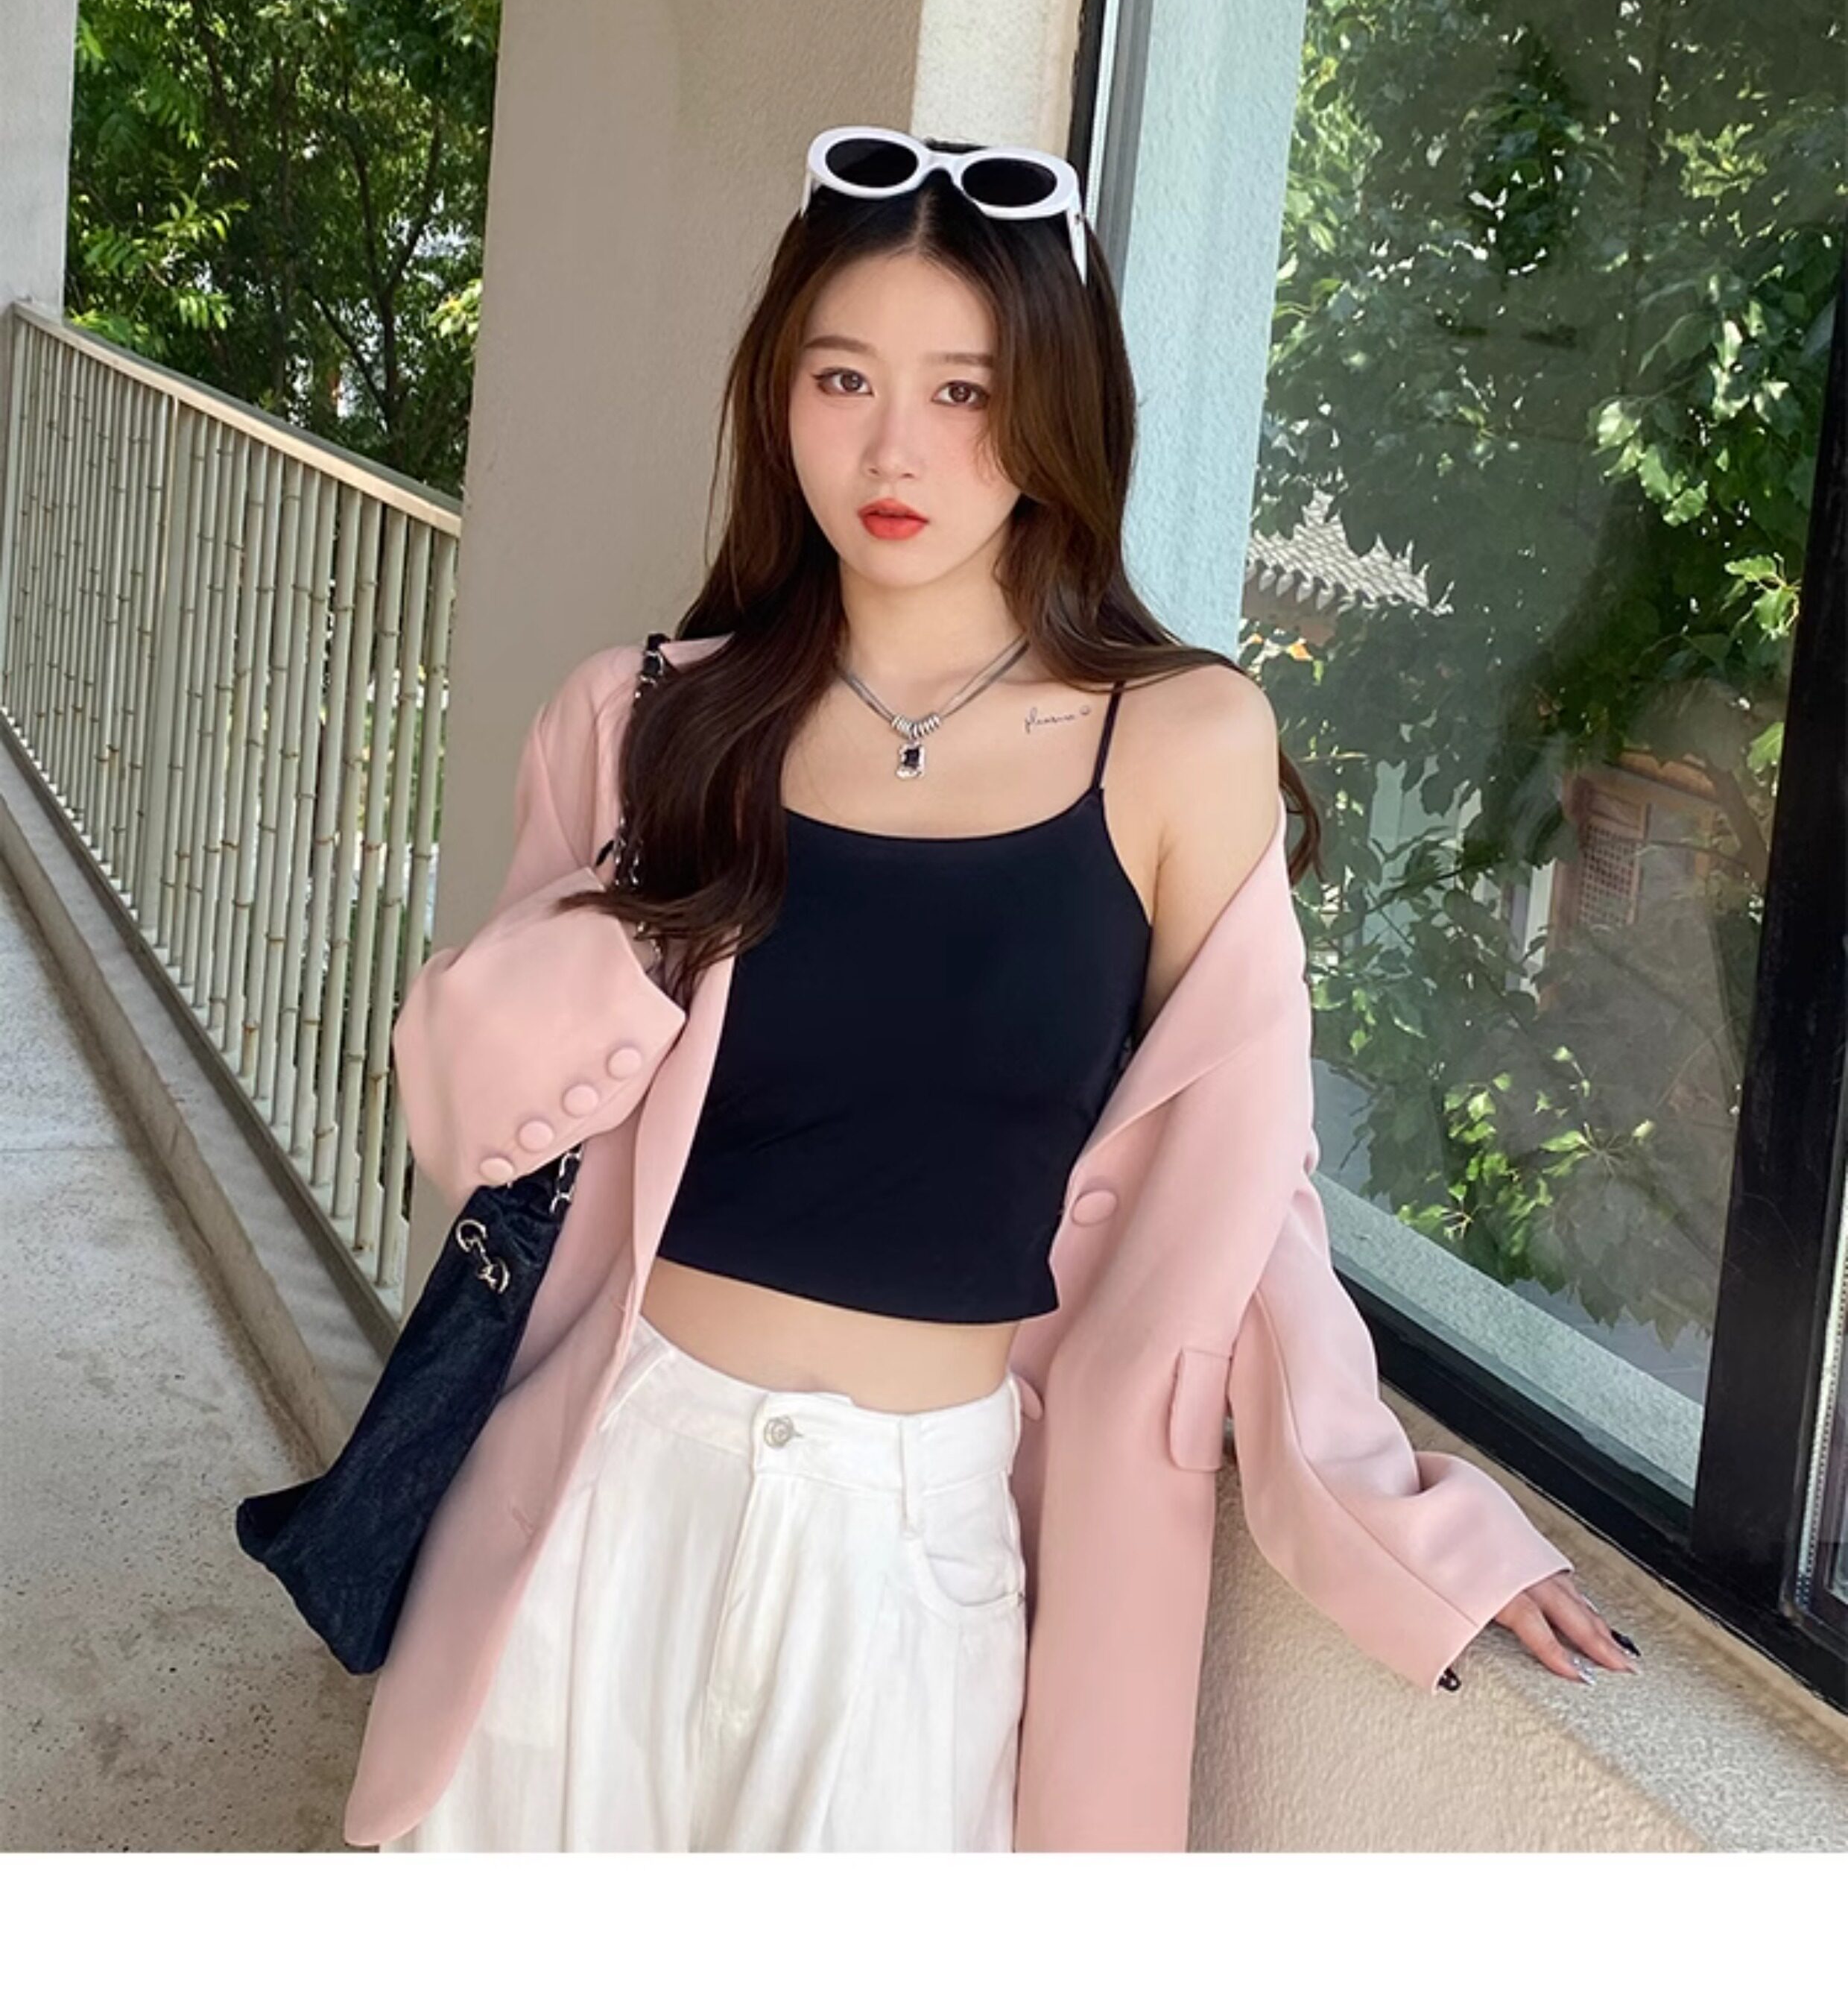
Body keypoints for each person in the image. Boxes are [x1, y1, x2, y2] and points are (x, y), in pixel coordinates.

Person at [367, 124, 1637, 1854]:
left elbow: (1240, 1187)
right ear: (777, 395)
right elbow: (468, 1117)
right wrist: (649, 894)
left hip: (908, 1540)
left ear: (1054, 412)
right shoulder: (646, 713)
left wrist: (1409, 1530)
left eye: (964, 391)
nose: (895, 448)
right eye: (843, 378)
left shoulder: (1180, 741)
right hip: (606, 1480)